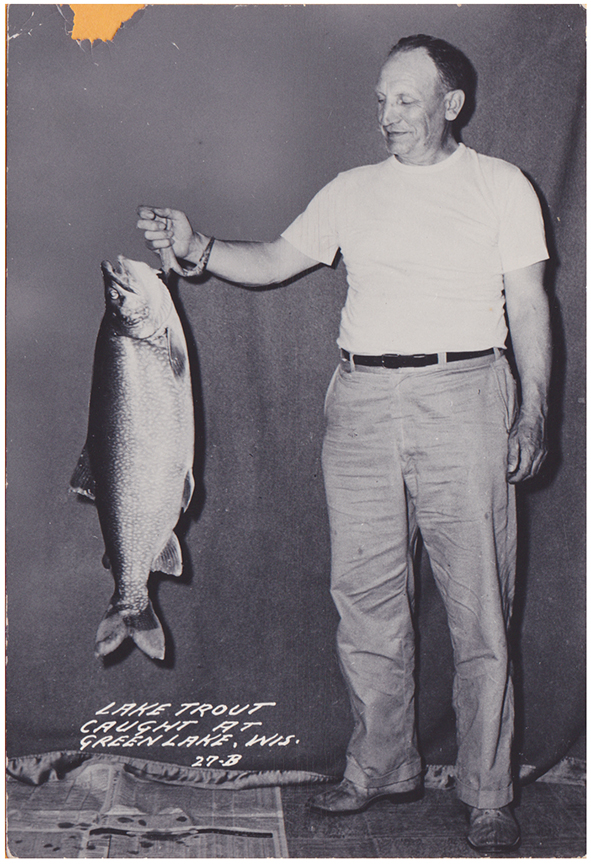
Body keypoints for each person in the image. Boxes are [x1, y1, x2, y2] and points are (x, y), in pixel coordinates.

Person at [137, 34, 551, 852]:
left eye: (404, 99)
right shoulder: (352, 190)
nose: (386, 114)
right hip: (358, 398)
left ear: (450, 104)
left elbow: (530, 304)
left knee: (478, 607)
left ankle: (485, 789)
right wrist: (197, 248)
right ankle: (381, 766)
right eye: (380, 99)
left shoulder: (500, 185)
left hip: (463, 392)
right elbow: (276, 260)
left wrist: (533, 411)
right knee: (362, 597)